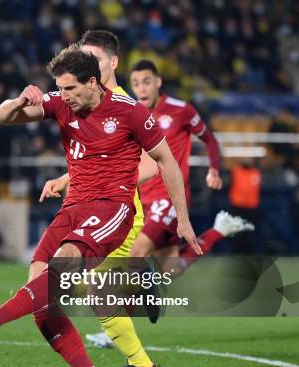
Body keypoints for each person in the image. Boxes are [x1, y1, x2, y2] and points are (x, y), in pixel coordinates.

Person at [0, 45, 201, 367]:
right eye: (60, 88)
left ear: (93, 82)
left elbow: (165, 162)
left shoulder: (131, 112)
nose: (65, 96)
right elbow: (1, 117)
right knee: (41, 301)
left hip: (111, 210)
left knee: (65, 264)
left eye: (71, 89)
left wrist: (182, 220)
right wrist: (18, 100)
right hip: (72, 209)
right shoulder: (60, 102)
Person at [45, 59, 254, 349]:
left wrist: (214, 169)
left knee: (136, 255)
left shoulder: (181, 110)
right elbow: (104, 157)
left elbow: (209, 140)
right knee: (170, 268)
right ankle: (219, 230)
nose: (141, 88)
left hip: (167, 199)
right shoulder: (129, 112)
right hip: (144, 196)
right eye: (136, 83)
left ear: (157, 82)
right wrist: (68, 178)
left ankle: (122, 318)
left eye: (146, 81)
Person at [37, 30, 162, 367]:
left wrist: (112, 182)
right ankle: (138, 286)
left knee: (84, 287)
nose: (89, 63)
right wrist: (69, 178)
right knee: (72, 284)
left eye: (95, 58)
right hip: (99, 211)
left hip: (119, 213)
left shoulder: (122, 104)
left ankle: (141, 360)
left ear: (112, 63)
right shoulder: (89, 101)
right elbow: (97, 156)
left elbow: (153, 164)